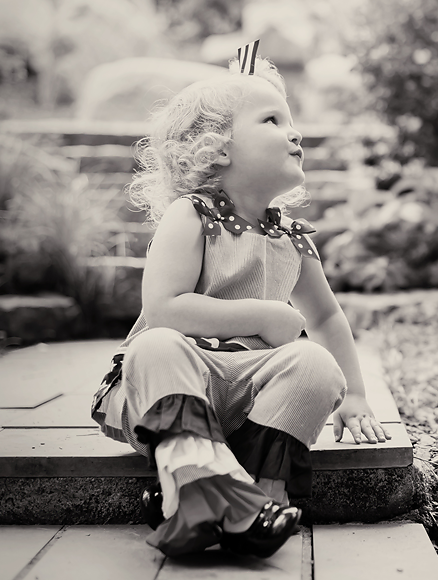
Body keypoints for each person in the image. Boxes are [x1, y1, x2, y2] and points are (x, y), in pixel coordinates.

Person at [90, 42, 390, 558]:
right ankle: (218, 493)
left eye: (291, 120)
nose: (294, 132)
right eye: (272, 120)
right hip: (172, 388)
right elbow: (164, 309)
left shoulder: (292, 236)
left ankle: (231, 496)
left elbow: (325, 318)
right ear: (218, 148)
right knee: (156, 344)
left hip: (254, 398)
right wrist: (264, 314)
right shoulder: (194, 215)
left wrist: (357, 394)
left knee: (316, 363)